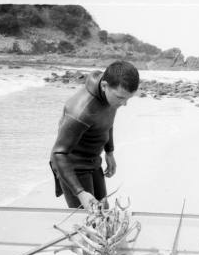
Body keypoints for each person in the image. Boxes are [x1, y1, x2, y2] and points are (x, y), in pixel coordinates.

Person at [50, 60, 139, 210]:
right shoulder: (80, 112)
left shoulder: (112, 95)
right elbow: (58, 153)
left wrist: (109, 152)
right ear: (104, 86)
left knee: (103, 211)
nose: (124, 104)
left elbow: (107, 123)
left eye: (128, 98)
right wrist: (80, 192)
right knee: (88, 220)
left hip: (93, 161)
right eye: (121, 98)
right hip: (72, 167)